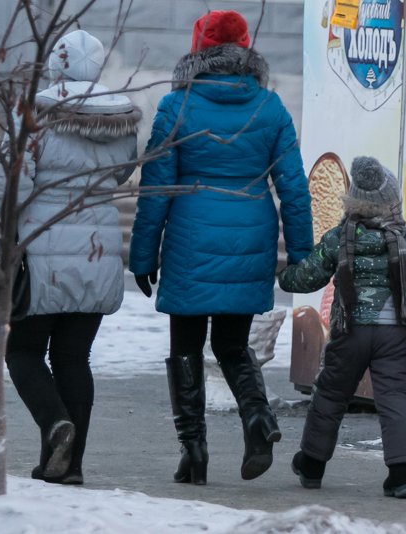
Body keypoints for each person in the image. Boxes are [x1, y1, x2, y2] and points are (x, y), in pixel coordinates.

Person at [129, 10, 312, 485]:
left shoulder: (176, 105)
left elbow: (156, 189)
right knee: (232, 343)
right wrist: (301, 251)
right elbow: (293, 186)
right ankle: (258, 419)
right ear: (245, 51)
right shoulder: (269, 107)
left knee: (185, 345)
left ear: (198, 51)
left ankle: (194, 454)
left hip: (191, 235)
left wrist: (143, 255)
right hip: (250, 235)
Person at [0, 30, 139, 484]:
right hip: (98, 250)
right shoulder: (120, 117)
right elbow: (121, 173)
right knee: (74, 359)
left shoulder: (33, 112)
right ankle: (68, 468)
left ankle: (55, 425)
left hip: (42, 254)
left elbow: (13, 185)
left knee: (23, 351)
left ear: (56, 65)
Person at [278, 157, 406, 499]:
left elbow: (308, 275)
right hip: (393, 334)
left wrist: (280, 274)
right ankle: (402, 474)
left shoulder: (339, 238)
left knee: (330, 394)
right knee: (396, 396)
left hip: (349, 331)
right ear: (391, 201)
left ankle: (311, 465)